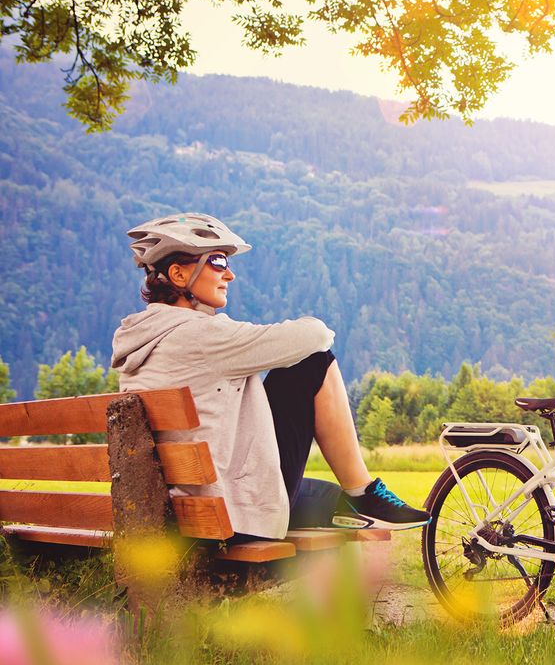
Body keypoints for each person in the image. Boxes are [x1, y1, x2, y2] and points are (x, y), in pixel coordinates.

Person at [110, 213, 429, 541]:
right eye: (217, 262)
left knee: (331, 500)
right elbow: (316, 335)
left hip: (181, 511)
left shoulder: (140, 340)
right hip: (227, 518)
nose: (229, 274)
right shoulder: (202, 336)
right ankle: (363, 493)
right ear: (178, 274)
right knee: (312, 362)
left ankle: (354, 506)